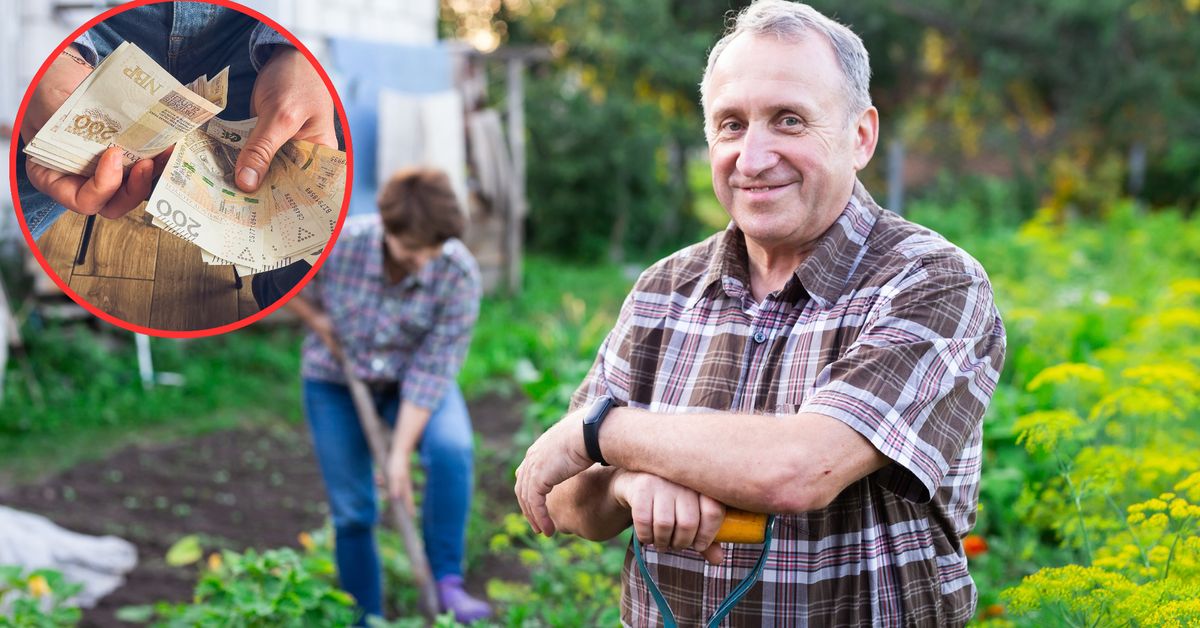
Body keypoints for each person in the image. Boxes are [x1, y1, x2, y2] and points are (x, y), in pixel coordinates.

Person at [514, 1, 1007, 626]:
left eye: (789, 120)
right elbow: (560, 497)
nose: (751, 157)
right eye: (730, 125)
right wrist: (624, 487)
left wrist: (601, 432)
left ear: (860, 136)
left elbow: (800, 469)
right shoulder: (663, 289)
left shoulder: (930, 281)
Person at [289, 167, 491, 624]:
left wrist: (399, 452)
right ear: (387, 228)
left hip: (410, 383)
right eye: (413, 249)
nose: (426, 259)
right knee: (354, 510)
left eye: (435, 249)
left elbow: (434, 367)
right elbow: (276, 274)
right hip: (335, 382)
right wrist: (317, 320)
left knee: (451, 449)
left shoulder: (457, 273)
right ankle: (367, 615)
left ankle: (446, 584)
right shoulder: (341, 244)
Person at [16, 1, 336, 240]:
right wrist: (47, 54)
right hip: (92, 26)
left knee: (301, 200)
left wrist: (295, 49)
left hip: (251, 35)